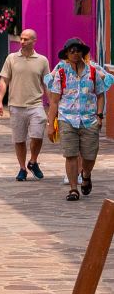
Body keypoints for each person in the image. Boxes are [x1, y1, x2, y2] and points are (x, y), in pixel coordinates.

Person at [46, 38, 112, 200]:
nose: (75, 54)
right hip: (67, 119)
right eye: (71, 51)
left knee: (90, 156)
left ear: (82, 52)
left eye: (78, 50)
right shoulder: (61, 73)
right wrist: (50, 124)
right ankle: (73, 189)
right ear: (67, 54)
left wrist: (99, 115)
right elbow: (54, 101)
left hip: (89, 120)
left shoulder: (93, 72)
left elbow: (100, 95)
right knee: (70, 155)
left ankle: (86, 174)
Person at [0, 29, 50, 179]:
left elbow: (47, 84)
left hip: (36, 104)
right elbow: (4, 80)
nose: (22, 42)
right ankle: (22, 168)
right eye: (21, 38)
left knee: (37, 135)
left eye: (26, 39)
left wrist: (52, 105)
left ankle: (33, 161)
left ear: (34, 41)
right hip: (16, 105)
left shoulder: (42, 60)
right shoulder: (11, 58)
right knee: (19, 139)